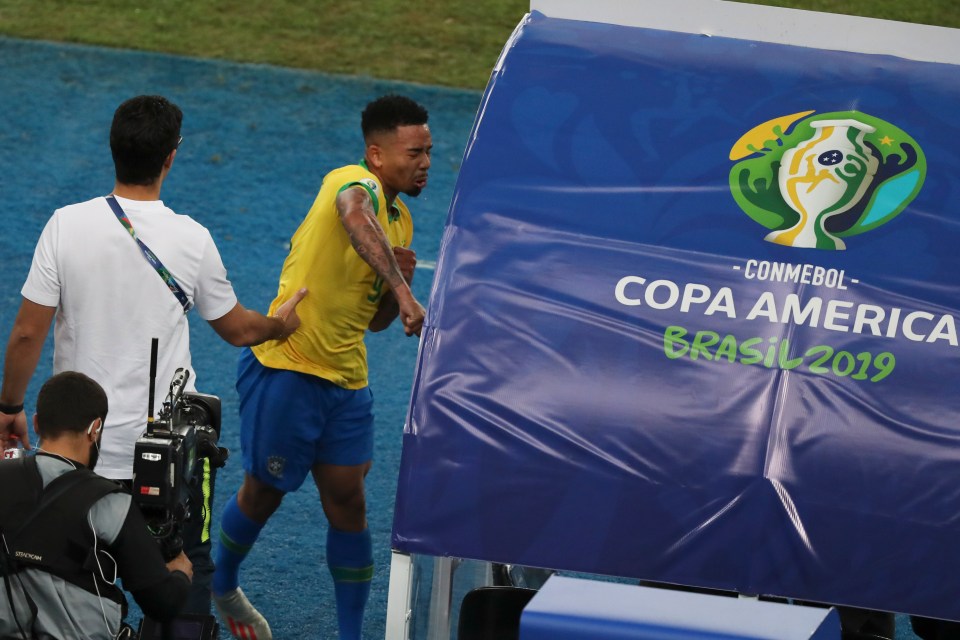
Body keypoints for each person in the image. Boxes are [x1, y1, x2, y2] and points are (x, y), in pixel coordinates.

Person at [0, 94, 307, 615]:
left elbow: (29, 333)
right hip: (164, 459)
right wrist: (281, 324)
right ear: (171, 156)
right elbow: (236, 329)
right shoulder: (193, 239)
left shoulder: (64, 225)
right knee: (186, 571)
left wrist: (9, 408)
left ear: (114, 149)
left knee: (73, 579)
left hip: (78, 456)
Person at [212, 94, 430, 640]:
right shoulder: (353, 182)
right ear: (377, 155)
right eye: (414, 152)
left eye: (429, 152)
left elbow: (376, 320)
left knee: (350, 501)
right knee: (263, 493)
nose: (425, 162)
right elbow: (354, 216)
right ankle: (221, 585)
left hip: (346, 381)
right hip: (289, 368)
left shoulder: (399, 222)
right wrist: (404, 291)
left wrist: (393, 287)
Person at [0, 371, 193, 639]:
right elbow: (162, 603)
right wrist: (181, 574)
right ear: (95, 429)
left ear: (36, 424)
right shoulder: (111, 502)